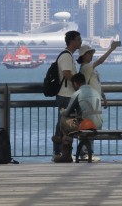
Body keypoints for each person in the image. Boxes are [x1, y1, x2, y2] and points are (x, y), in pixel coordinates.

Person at [52, 30, 82, 163]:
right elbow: (66, 73)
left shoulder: (69, 55)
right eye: (78, 39)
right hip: (65, 95)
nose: (80, 42)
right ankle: (59, 152)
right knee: (64, 124)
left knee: (65, 124)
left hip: (68, 95)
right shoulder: (66, 56)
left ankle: (62, 152)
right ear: (72, 41)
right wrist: (77, 84)